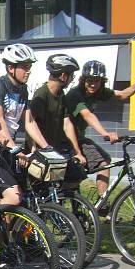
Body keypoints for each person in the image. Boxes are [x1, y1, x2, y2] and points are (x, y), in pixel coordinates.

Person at [65, 60, 135, 201]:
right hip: (67, 139)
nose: (93, 84)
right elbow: (87, 115)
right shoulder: (75, 94)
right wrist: (105, 133)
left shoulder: (98, 92)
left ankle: (102, 203)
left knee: (104, 162)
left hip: (79, 138)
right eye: (89, 80)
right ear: (83, 80)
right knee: (74, 176)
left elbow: (123, 94)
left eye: (97, 81)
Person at [0, 43, 44, 206]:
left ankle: (4, 229)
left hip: (7, 147)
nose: (29, 70)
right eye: (25, 66)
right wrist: (15, 149)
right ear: (10, 67)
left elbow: (29, 122)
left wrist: (45, 147)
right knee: (13, 197)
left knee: (24, 195)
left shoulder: (23, 89)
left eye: (30, 66)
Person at [27, 54, 86, 184]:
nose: (72, 79)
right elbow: (30, 123)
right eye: (71, 76)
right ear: (63, 76)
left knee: (75, 176)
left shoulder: (61, 94)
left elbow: (67, 124)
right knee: (42, 192)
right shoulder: (41, 95)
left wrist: (77, 152)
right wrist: (33, 150)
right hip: (40, 152)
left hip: (54, 150)